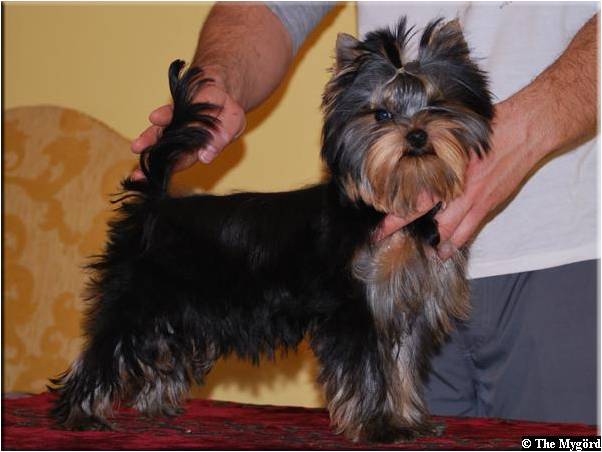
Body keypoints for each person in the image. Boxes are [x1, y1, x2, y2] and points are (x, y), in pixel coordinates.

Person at [131, 3, 599, 424]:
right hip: (384, 266)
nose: (414, 128)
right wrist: (219, 79)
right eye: (384, 116)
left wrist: (532, 126)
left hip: (563, 254)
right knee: (386, 427)